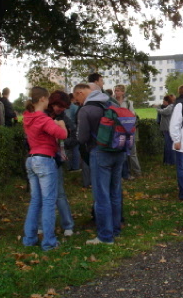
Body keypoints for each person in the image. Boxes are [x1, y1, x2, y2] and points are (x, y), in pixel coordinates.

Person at [74, 83, 126, 245]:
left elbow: (81, 138)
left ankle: (105, 236)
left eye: (77, 97)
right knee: (115, 192)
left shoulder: (86, 110)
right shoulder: (111, 103)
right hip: (118, 151)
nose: (77, 101)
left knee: (101, 196)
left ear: (81, 93)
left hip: (99, 153)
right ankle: (115, 229)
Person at [22, 87, 68, 251]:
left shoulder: (27, 117)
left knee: (35, 200)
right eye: (47, 99)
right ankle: (49, 242)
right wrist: (61, 124)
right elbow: (62, 135)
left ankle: (29, 238)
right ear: (42, 99)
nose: (48, 102)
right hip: (45, 159)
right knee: (49, 201)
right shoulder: (43, 118)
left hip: (31, 159)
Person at [43, 90, 76, 237]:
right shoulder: (42, 115)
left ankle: (68, 225)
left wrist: (62, 143)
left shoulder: (64, 119)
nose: (59, 109)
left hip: (55, 158)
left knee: (59, 193)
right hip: (42, 157)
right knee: (40, 195)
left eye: (62, 107)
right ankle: (41, 226)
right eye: (57, 106)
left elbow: (74, 137)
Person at [114, 84, 142, 179]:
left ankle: (137, 172)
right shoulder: (112, 102)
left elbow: (132, 115)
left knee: (132, 152)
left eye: (118, 90)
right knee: (121, 152)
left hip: (128, 129)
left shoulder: (129, 103)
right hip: (118, 130)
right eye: (115, 90)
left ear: (123, 92)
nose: (116, 92)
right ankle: (123, 173)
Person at [157, 94, 176, 165]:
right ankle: (168, 161)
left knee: (168, 145)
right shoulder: (170, 107)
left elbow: (164, 112)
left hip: (168, 128)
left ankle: (169, 161)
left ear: (167, 101)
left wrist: (157, 108)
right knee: (168, 145)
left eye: (164, 101)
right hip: (168, 128)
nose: (163, 102)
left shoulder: (170, 107)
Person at [65, 93, 81, 172]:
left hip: (65, 130)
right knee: (75, 149)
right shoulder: (76, 108)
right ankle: (75, 167)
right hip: (74, 130)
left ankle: (68, 166)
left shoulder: (64, 108)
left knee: (67, 149)